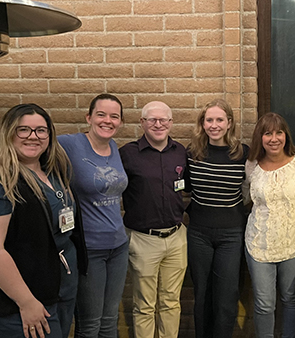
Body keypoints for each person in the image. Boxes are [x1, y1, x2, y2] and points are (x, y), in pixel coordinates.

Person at [0, 104, 87, 338]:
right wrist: (26, 302)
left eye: (41, 131)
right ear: (8, 132)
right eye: (23, 130)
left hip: (56, 289)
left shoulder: (50, 172)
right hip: (20, 302)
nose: (33, 137)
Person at [58, 93, 129, 338]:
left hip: (118, 246)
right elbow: (32, 149)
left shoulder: (114, 148)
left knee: (110, 320)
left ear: (120, 122)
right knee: (89, 324)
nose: (107, 120)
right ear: (88, 117)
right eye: (101, 114)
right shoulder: (70, 144)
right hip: (89, 250)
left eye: (114, 116)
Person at [119, 101, 188, 338]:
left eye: (163, 120)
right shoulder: (127, 154)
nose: (158, 124)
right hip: (143, 239)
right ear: (142, 123)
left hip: (177, 238)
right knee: (144, 305)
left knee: (171, 302)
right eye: (152, 120)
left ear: (171, 123)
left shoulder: (180, 152)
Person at [185, 99, 249, 338]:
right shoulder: (192, 153)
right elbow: (187, 188)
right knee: (202, 294)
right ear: (202, 123)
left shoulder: (243, 153)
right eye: (209, 120)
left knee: (226, 296)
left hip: (231, 234)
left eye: (219, 120)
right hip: (199, 233)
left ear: (229, 123)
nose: (214, 125)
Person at [243, 112, 295, 338]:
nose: (274, 138)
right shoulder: (252, 165)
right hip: (259, 243)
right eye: (267, 133)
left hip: (294, 242)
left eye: (278, 132)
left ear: (286, 135)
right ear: (259, 138)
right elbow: (245, 198)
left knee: (291, 299)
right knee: (264, 304)